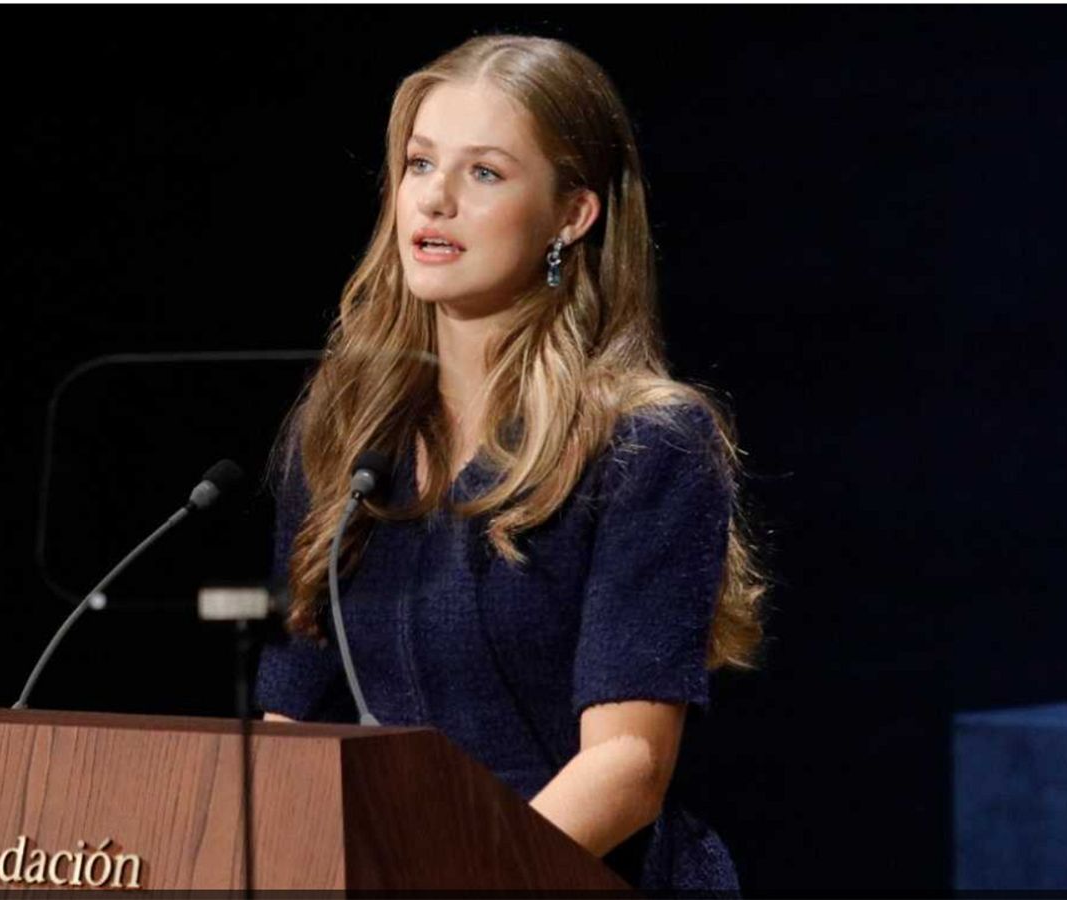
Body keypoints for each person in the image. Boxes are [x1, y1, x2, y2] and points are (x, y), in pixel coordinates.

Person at [253, 33, 768, 896]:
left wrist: (460, 875)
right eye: (420, 164)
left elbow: (628, 768)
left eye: (485, 173)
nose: (436, 200)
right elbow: (289, 719)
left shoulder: (647, 444)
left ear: (574, 214)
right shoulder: (344, 432)